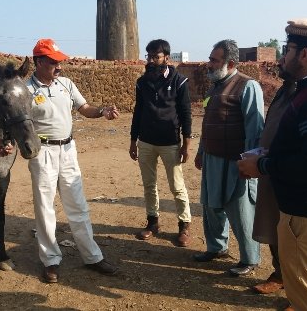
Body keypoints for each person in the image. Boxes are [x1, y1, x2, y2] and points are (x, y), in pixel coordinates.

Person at [238, 18, 307, 311]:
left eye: (287, 49)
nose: (282, 56)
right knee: (302, 292)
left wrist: (262, 165)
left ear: (304, 54)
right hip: (305, 210)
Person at [26, 38, 120, 284]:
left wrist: (102, 111)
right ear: (38, 62)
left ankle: (92, 257)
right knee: (45, 209)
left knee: (77, 205)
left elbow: (84, 107)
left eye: (60, 62)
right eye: (53, 62)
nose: (59, 67)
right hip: (42, 152)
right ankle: (51, 261)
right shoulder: (26, 90)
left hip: (67, 150)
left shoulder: (66, 84)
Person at [193, 39, 264, 276]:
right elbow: (207, 124)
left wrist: (249, 163)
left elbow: (255, 130)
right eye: (210, 58)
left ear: (230, 62)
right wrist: (201, 152)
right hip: (213, 159)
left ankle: (250, 258)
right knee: (212, 206)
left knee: (241, 209)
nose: (209, 64)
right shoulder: (214, 87)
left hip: (237, 162)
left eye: (214, 60)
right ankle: (216, 247)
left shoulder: (248, 86)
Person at [129, 39, 192, 247]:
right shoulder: (143, 82)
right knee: (149, 185)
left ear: (166, 57)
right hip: (146, 142)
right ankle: (152, 222)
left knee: (177, 186)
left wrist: (186, 144)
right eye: (149, 56)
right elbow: (138, 112)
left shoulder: (179, 81)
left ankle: (184, 225)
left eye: (155, 56)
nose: (151, 60)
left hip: (169, 143)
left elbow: (186, 114)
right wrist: (133, 139)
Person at [251, 57, 296, 294]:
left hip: (291, 174)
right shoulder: (284, 91)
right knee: (273, 225)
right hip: (270, 169)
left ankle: (296, 291)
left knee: (293, 235)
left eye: (287, 52)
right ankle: (279, 274)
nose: (279, 61)